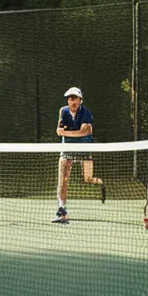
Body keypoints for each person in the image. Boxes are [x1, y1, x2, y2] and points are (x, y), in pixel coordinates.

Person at [53, 86, 105, 224]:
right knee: (63, 179)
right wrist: (71, 132)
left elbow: (84, 132)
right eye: (70, 99)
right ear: (68, 101)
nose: (73, 101)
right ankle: (62, 210)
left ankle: (101, 183)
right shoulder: (63, 111)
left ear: (80, 100)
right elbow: (59, 131)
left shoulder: (86, 113)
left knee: (88, 179)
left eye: (75, 98)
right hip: (67, 147)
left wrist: (67, 132)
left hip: (84, 146)